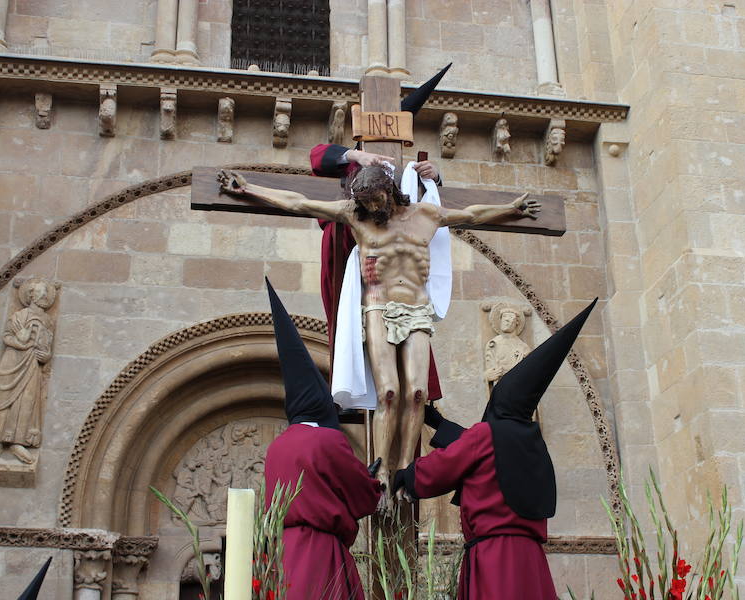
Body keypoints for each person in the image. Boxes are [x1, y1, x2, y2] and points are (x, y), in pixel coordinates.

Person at [219, 168, 540, 507]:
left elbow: (473, 214)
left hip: (417, 308)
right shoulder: (355, 215)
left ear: (390, 191)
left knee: (416, 393)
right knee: (389, 392)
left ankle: (406, 468)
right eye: (366, 203)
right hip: (377, 306)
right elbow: (299, 203)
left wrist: (513, 207)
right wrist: (249, 188)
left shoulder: (426, 215)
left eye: (377, 200)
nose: (372, 208)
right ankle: (382, 470)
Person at [392, 299, 597, 599]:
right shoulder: (531, 443)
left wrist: (405, 477)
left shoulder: (487, 435)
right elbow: (486, 457)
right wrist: (438, 423)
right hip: (531, 562)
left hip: (494, 559)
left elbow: (451, 463)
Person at [309, 64, 452, 404]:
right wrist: (355, 154)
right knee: (353, 332)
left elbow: (423, 209)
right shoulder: (353, 166)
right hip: (353, 256)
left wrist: (432, 177)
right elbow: (317, 157)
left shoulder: (403, 174)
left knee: (407, 373)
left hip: (398, 278)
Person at [262, 279, 383, 599]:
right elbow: (363, 496)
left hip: (281, 557)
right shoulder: (326, 440)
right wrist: (371, 480)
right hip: (319, 553)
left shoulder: (278, 446)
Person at [0, 278, 55, 465]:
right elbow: (7, 336)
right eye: (40, 292)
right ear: (31, 295)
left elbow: (47, 345)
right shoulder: (19, 316)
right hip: (13, 361)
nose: (44, 296)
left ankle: (18, 441)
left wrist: (45, 356)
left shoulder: (47, 320)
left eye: (46, 293)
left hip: (33, 364)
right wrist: (19, 341)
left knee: (28, 401)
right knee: (4, 400)